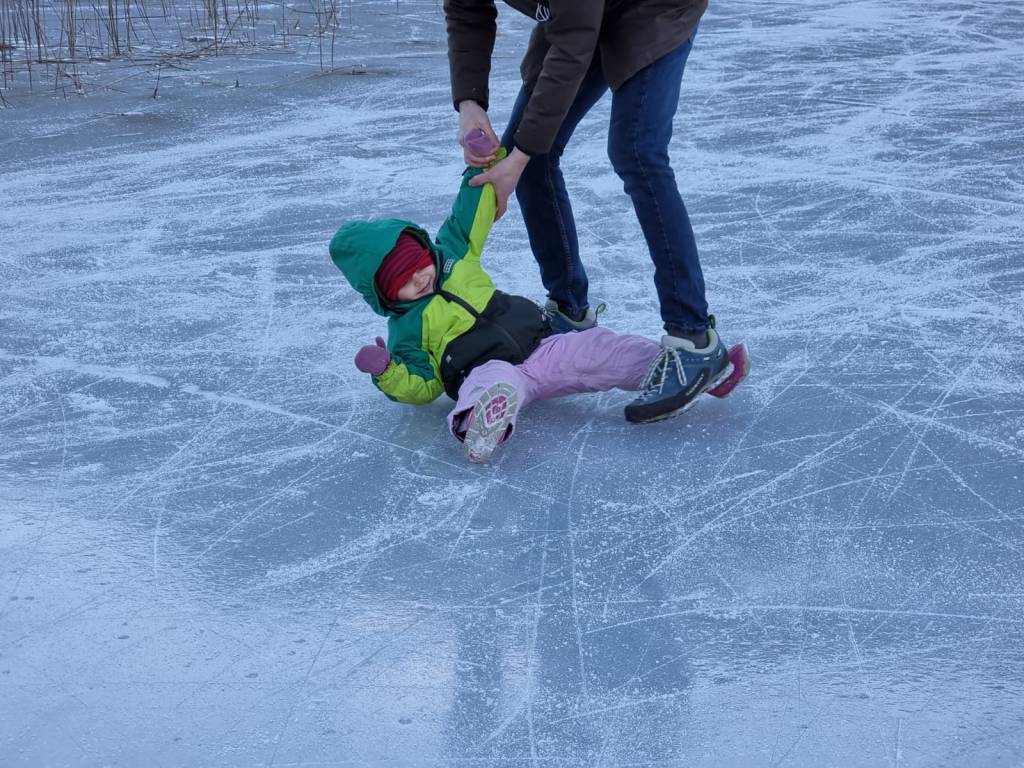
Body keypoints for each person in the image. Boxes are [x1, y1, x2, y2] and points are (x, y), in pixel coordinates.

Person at [329, 158, 742, 463]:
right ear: (384, 294)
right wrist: (387, 371)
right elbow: (423, 386)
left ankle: (686, 373)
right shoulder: (406, 329)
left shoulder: (453, 256)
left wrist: (484, 160)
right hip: (486, 367)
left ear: (424, 249)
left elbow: (470, 211)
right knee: (490, 383)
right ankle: (483, 422)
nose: (419, 278)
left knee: (597, 349)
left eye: (417, 265)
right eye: (402, 281)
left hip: (542, 346)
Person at [444, 0, 740, 421]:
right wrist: (470, 104)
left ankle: (694, 340)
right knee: (530, 154)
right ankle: (569, 313)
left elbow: (575, 44)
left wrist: (522, 155)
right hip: (580, 15)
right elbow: (466, 11)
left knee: (637, 151)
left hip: (654, 7)